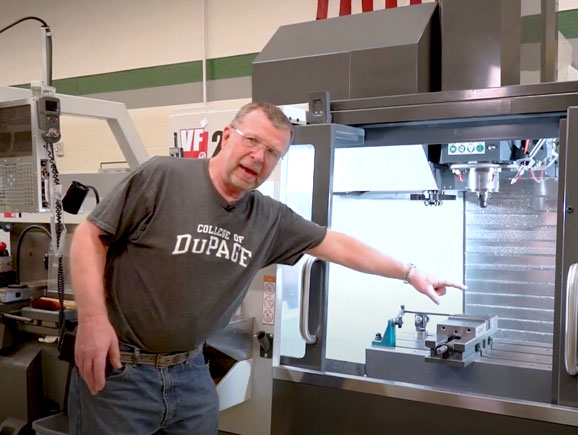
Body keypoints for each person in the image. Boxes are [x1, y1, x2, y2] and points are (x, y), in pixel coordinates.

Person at [68, 101, 465, 434]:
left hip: (190, 375)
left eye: (273, 152)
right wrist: (92, 320)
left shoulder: (268, 218)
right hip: (121, 370)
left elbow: (338, 245)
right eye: (252, 140)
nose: (259, 157)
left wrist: (410, 272)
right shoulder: (163, 176)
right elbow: (90, 236)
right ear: (227, 136)